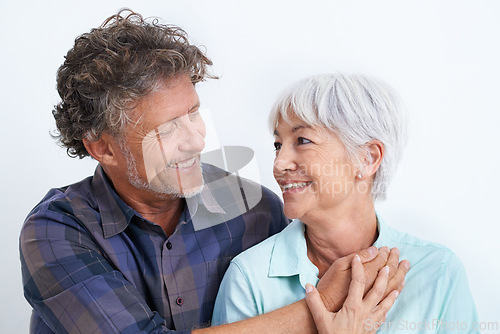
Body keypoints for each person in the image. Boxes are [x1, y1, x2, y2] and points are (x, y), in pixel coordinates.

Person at [19, 10, 408, 333]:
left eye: (193, 114)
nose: (196, 141)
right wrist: (323, 304)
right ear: (103, 147)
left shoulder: (255, 210)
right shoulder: (56, 231)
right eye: (167, 128)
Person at [212, 73, 479, 333]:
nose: (279, 164)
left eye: (302, 140)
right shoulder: (248, 278)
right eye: (278, 145)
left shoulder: (438, 273)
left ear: (367, 158)